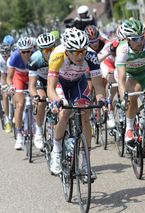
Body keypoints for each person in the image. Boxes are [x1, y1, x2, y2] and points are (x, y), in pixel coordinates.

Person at [47, 28, 105, 176]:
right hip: (60, 84)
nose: (80, 56)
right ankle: (57, 150)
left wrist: (101, 99)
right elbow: (51, 88)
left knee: (86, 113)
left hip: (78, 83)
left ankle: (86, 162)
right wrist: (56, 101)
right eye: (76, 52)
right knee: (65, 110)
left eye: (83, 51)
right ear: (67, 51)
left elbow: (98, 85)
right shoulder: (57, 55)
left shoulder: (90, 55)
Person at [28, 33, 56, 150]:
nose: (49, 52)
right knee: (42, 100)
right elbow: (32, 85)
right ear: (40, 50)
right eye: (45, 50)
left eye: (52, 48)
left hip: (55, 80)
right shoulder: (35, 59)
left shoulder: (60, 55)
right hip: (41, 81)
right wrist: (35, 96)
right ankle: (38, 131)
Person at [7, 37, 33, 150]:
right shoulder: (15, 57)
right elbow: (9, 77)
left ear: (32, 49)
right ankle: (19, 135)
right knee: (20, 104)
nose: (26, 54)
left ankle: (37, 128)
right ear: (19, 51)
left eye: (28, 51)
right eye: (23, 52)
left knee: (38, 101)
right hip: (19, 78)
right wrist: (11, 86)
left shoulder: (37, 55)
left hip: (32, 77)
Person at [0, 43, 12, 133]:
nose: (6, 58)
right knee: (5, 95)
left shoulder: (13, 56)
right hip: (4, 75)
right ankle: (7, 120)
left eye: (7, 55)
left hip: (13, 73)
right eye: (4, 56)